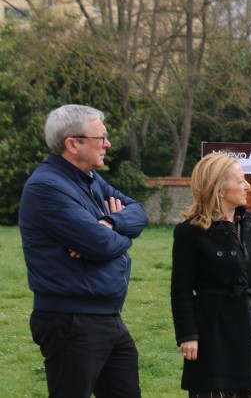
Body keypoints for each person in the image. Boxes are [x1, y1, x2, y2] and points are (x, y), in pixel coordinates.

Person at [18, 104, 148, 397]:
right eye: (100, 138)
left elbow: (138, 212)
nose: (107, 144)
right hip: (71, 320)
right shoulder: (47, 188)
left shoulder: (89, 180)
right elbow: (100, 245)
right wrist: (115, 235)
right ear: (72, 144)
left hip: (107, 316)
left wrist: (110, 222)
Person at [171, 152, 251, 397]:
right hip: (213, 327)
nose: (247, 185)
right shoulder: (189, 232)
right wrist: (188, 335)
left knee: (248, 389)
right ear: (219, 189)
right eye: (241, 180)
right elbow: (180, 289)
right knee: (214, 389)